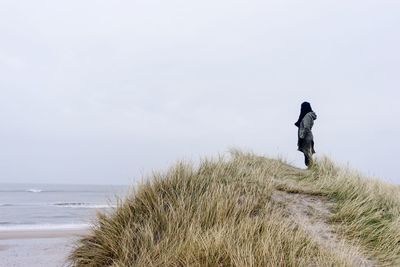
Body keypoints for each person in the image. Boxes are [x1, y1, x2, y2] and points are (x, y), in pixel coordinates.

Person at [294, 102, 317, 167]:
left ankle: (312, 168)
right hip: (307, 136)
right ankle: (311, 168)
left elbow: (306, 127)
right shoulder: (308, 115)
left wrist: (302, 136)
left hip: (306, 137)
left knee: (307, 154)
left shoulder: (307, 116)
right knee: (307, 153)